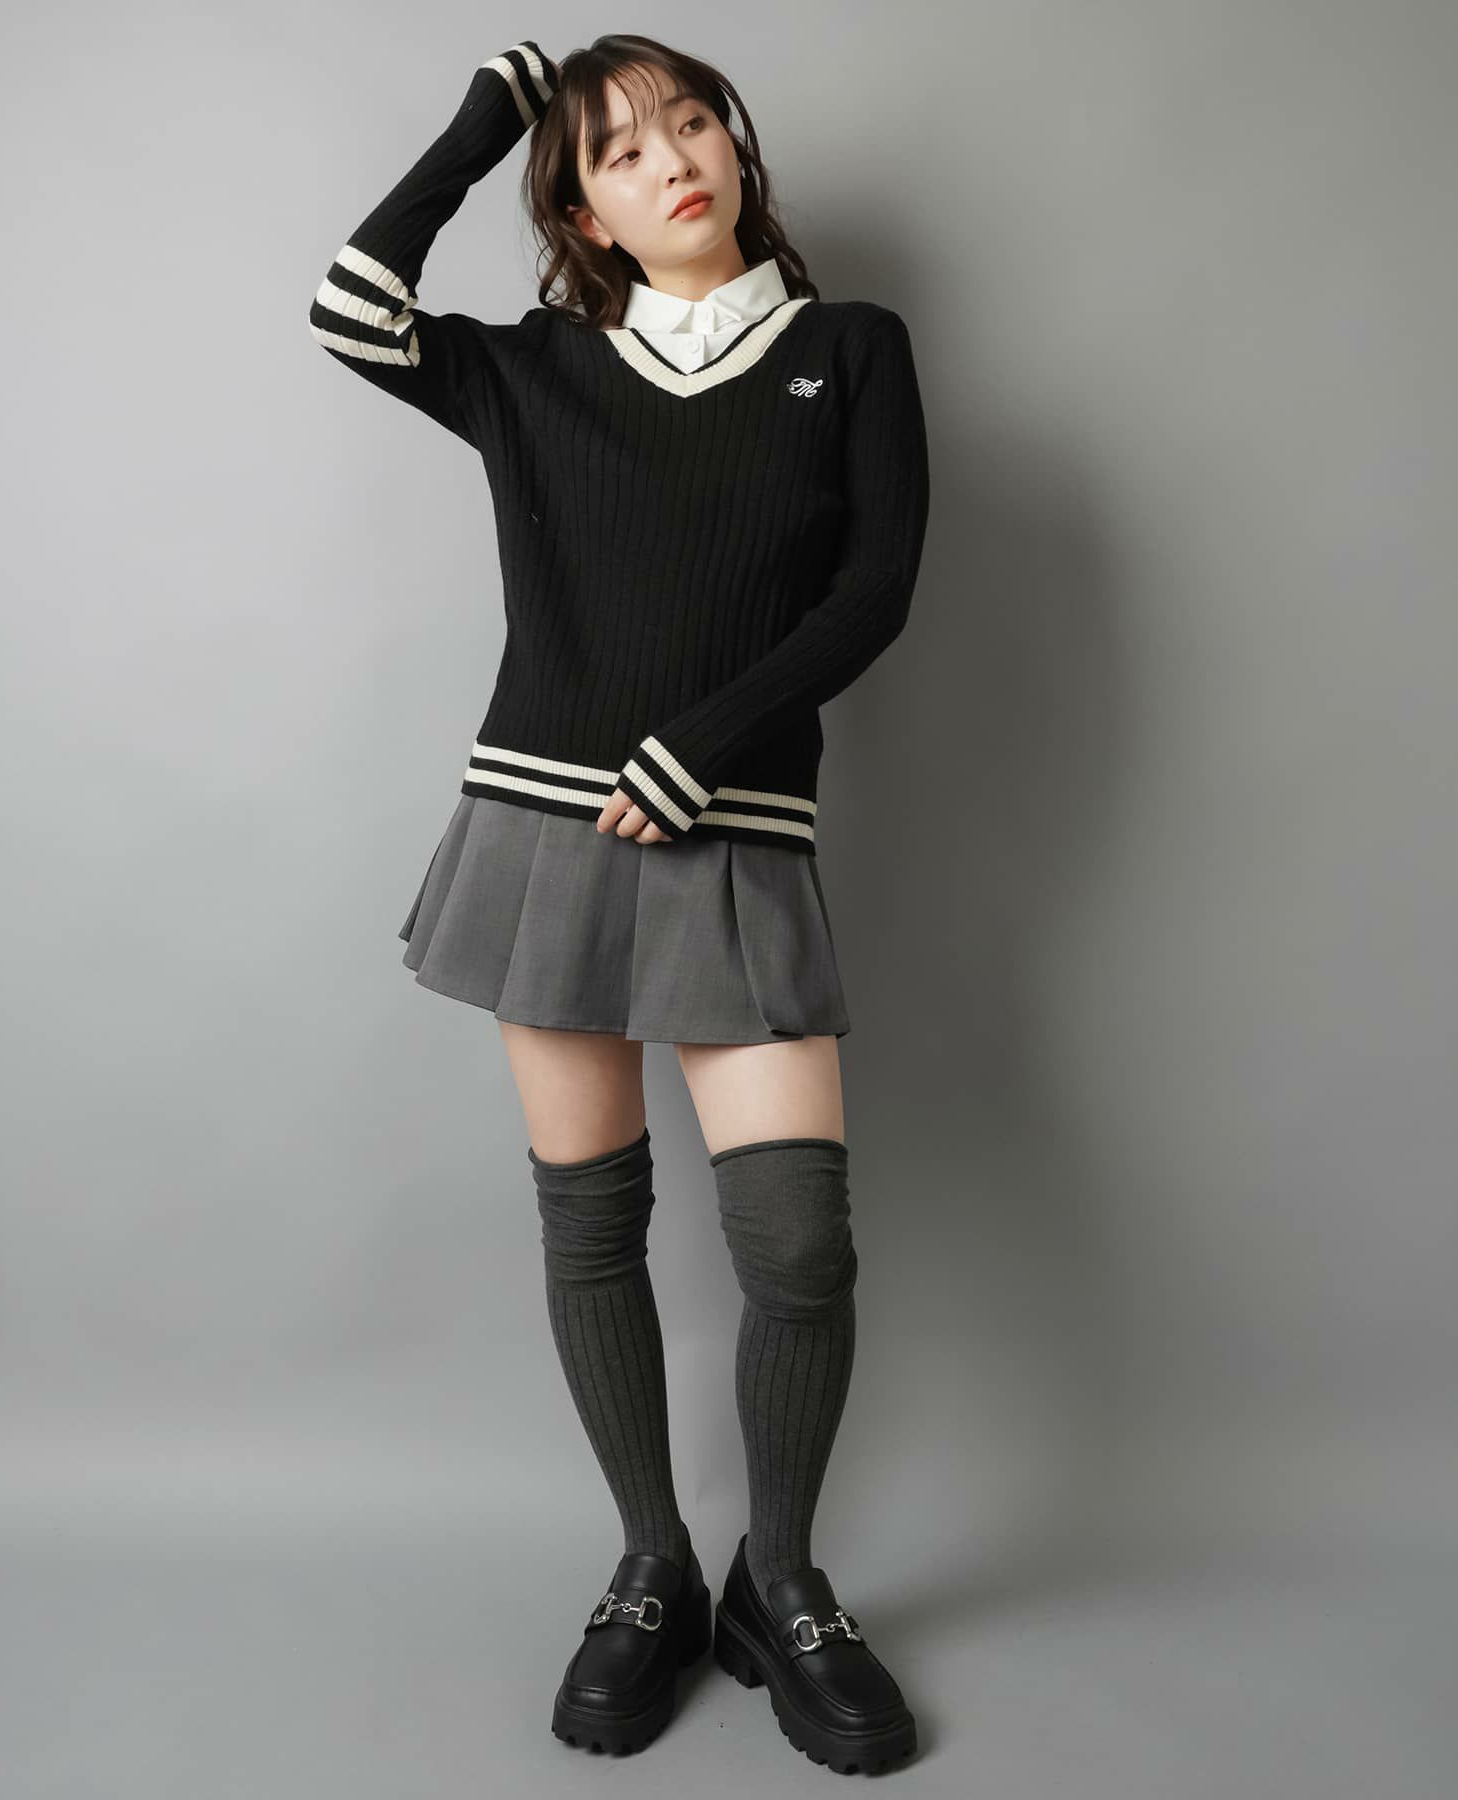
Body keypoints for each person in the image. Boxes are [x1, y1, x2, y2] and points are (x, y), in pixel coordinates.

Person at [309, 31, 928, 1770]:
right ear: (581, 210)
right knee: (593, 1223)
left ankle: (780, 1584)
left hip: (736, 833)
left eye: (692, 122)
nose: (674, 160)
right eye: (622, 149)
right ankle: (653, 1564)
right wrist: (482, 125)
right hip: (542, 834)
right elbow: (351, 312)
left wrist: (701, 746)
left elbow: (875, 590)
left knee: (797, 1247)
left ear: (736, 145)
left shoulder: (852, 351)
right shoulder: (538, 369)